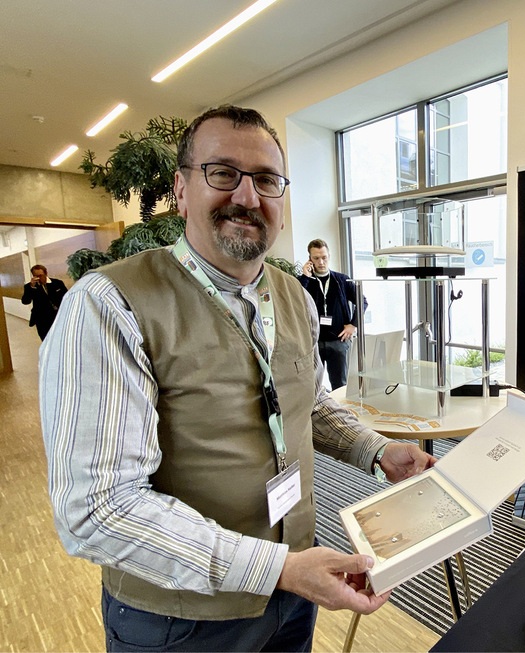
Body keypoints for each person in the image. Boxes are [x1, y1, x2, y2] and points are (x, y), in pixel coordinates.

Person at [40, 105, 436, 652]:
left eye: (267, 180)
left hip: (296, 590)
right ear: (181, 190)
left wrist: (376, 450)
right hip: (181, 622)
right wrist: (278, 568)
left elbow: (310, 404)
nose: (247, 197)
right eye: (223, 173)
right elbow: (98, 508)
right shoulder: (109, 305)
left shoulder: (291, 293)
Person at [299, 239, 366, 390]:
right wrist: (305, 277)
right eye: (316, 258)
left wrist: (353, 325)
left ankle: (341, 412)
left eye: (324, 257)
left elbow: (362, 301)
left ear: (329, 256)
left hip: (338, 340)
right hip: (312, 342)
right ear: (310, 259)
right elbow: (295, 300)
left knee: (340, 384)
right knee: (311, 385)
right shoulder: (306, 281)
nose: (321, 262)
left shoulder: (341, 280)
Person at [21, 264, 67, 340]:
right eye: (36, 276)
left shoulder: (57, 283)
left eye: (40, 275)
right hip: (42, 319)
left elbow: (66, 298)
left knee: (60, 338)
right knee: (46, 340)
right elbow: (25, 301)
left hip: (58, 316)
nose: (38, 278)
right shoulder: (29, 286)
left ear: (46, 273)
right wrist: (32, 287)